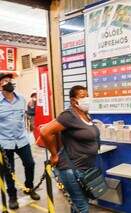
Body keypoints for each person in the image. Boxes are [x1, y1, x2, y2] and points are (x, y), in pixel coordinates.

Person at [40, 85, 100, 213]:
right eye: (83, 97)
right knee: (82, 207)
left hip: (85, 168)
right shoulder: (68, 116)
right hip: (71, 169)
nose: (87, 99)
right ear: (73, 101)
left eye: (87, 96)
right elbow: (45, 132)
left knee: (78, 204)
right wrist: (54, 155)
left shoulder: (85, 115)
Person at [0, 73, 40, 210]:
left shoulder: (21, 99)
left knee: (30, 163)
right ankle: (12, 196)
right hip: (4, 142)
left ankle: (29, 187)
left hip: (21, 139)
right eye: (6, 80)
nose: (9, 82)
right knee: (8, 171)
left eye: (10, 80)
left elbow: (24, 117)